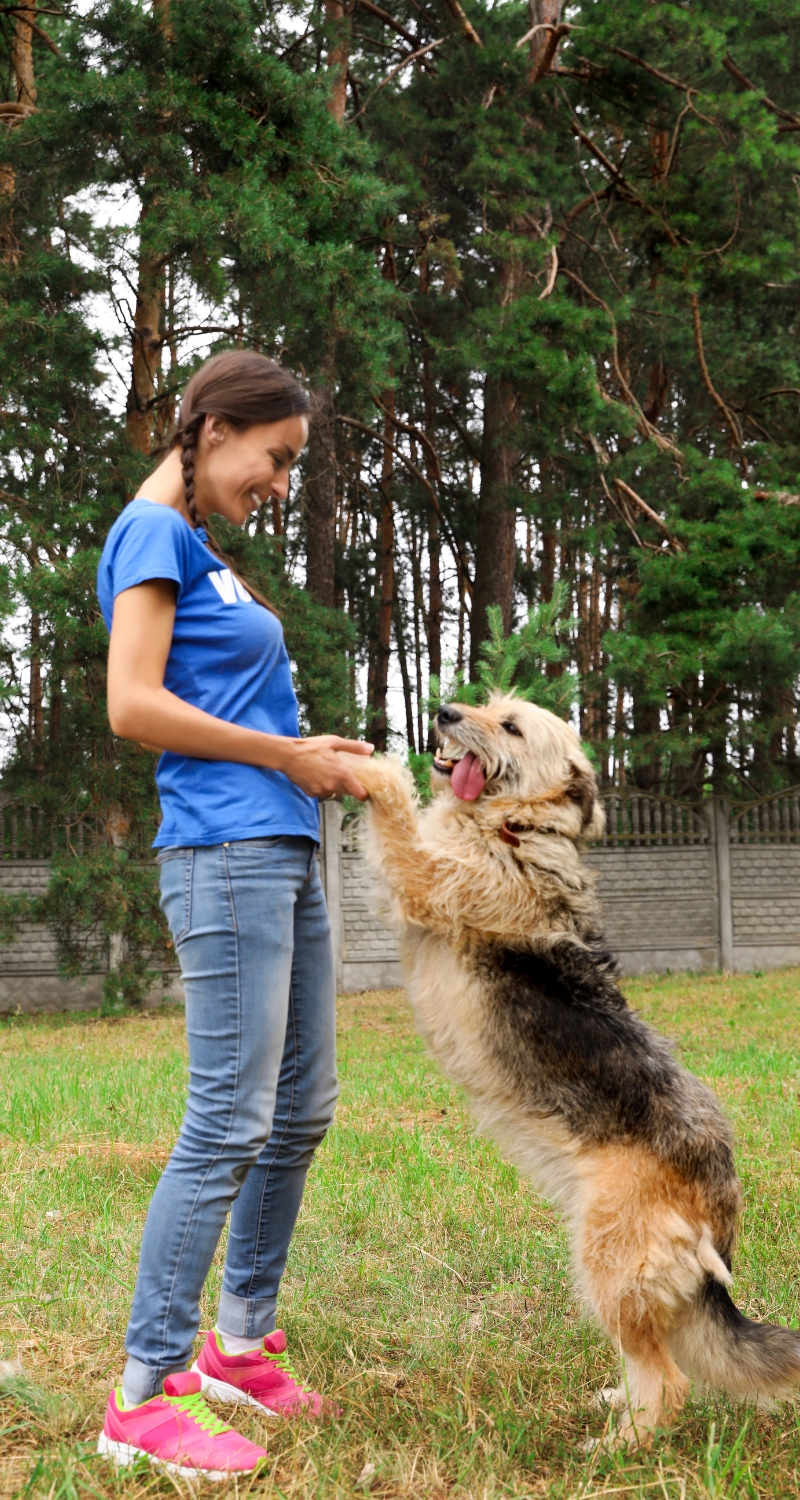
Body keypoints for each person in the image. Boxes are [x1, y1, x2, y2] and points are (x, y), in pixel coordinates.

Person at [94, 350, 372, 1479]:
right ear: (213, 430)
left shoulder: (201, 552)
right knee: (226, 1121)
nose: (279, 480)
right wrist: (282, 755)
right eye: (276, 456)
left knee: (298, 1107)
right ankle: (143, 1391)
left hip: (280, 847)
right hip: (223, 852)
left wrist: (310, 757)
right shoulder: (149, 535)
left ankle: (240, 1343)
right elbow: (131, 705)